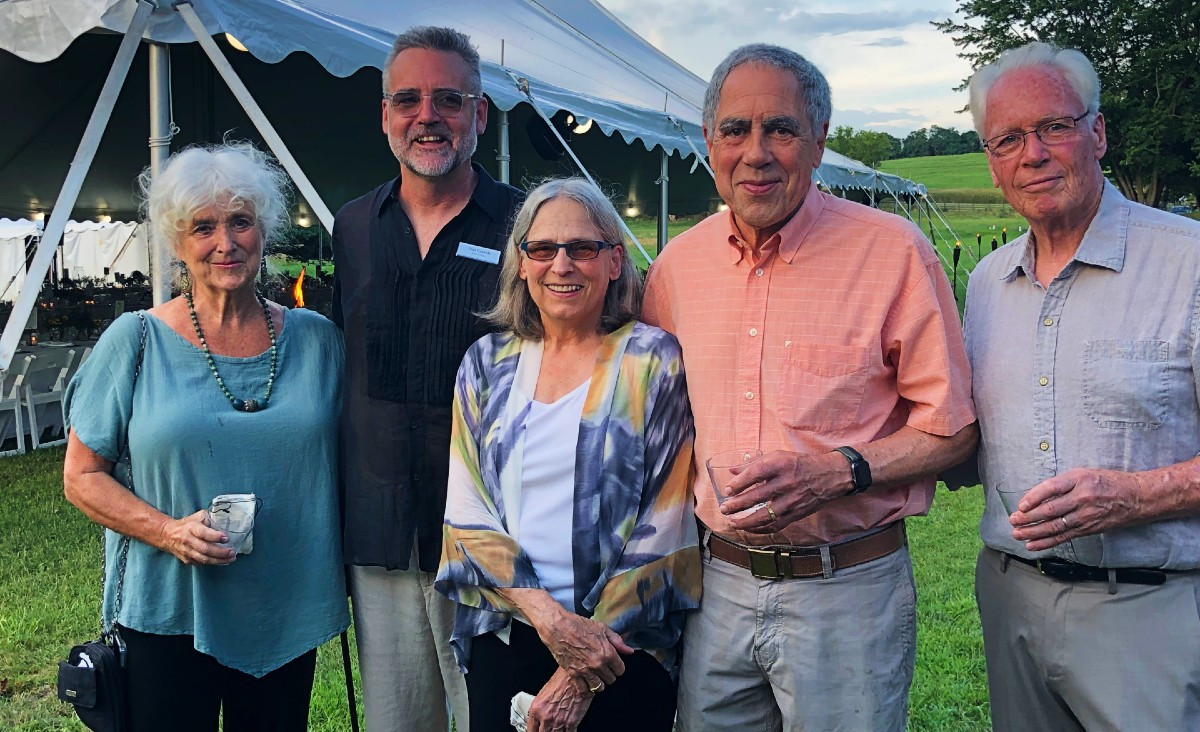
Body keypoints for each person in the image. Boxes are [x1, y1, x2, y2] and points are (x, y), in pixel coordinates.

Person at [641, 43, 978, 731]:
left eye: (781, 129)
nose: (756, 152)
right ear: (710, 144)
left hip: (848, 589)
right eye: (735, 130)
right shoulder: (678, 268)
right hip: (721, 586)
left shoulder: (892, 253)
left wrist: (840, 471)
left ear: (819, 141)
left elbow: (952, 427)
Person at [62, 142, 348, 732]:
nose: (226, 242)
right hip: (168, 609)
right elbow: (81, 476)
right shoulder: (134, 340)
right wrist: (168, 531)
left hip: (283, 604)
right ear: (175, 243)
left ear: (265, 231)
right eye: (204, 227)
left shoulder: (319, 342)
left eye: (241, 221)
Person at [956, 41, 1200, 730]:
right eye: (1006, 138)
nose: (1031, 153)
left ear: (1096, 132)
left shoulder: (1189, 264)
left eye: (1053, 127)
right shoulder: (985, 285)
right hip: (1011, 605)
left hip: (1149, 613)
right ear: (991, 160)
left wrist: (1134, 494)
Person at [435, 178, 700, 732]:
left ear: (613, 262)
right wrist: (550, 620)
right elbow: (466, 513)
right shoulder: (486, 363)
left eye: (582, 248)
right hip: (510, 627)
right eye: (543, 249)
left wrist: (580, 668)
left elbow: (666, 522)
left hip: (622, 646)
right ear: (521, 264)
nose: (562, 264)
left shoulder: (652, 361)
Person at [330, 25, 524, 731]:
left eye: (449, 98)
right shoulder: (351, 227)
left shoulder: (523, 225)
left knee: (495, 716)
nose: (427, 116)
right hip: (381, 529)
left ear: (479, 114)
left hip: (492, 527)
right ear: (385, 116)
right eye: (407, 100)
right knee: (398, 719)